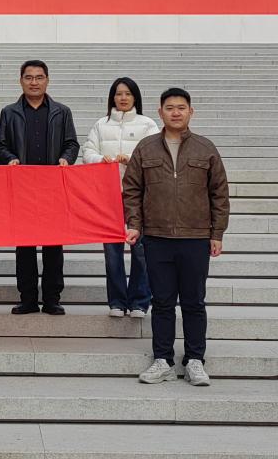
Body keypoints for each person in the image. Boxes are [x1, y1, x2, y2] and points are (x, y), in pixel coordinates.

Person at [123, 87, 229, 387]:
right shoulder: (146, 148)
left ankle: (195, 360)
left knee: (194, 302)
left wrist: (217, 233)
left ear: (190, 112)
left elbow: (219, 193)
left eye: (181, 107)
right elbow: (132, 189)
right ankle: (163, 360)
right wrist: (134, 224)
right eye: (170, 108)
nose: (176, 112)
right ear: (160, 112)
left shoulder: (205, 148)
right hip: (157, 237)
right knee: (162, 302)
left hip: (195, 237)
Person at [0, 59, 79, 315]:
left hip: (53, 189)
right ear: (20, 81)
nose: (34, 82)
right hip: (22, 190)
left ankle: (52, 299)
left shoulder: (61, 112)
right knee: (25, 247)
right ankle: (28, 299)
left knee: (54, 246)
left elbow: (72, 143)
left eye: (39, 77)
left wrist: (66, 158)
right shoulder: (9, 112)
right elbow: (0, 145)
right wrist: (10, 158)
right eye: (29, 77)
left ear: (47, 80)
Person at [82, 77, 160, 318]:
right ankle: (116, 301)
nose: (123, 98)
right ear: (112, 97)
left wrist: (131, 158)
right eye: (118, 94)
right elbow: (87, 151)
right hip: (109, 194)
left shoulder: (147, 124)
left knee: (141, 250)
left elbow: (156, 155)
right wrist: (100, 159)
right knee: (112, 251)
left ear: (135, 96)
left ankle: (139, 302)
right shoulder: (101, 124)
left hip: (140, 195)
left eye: (127, 93)